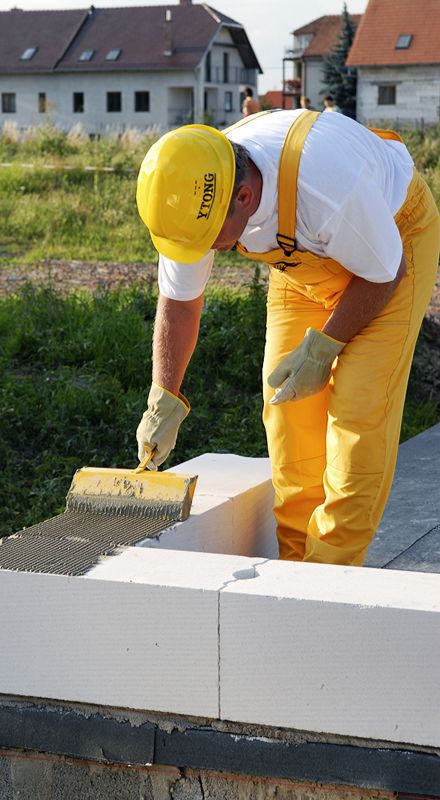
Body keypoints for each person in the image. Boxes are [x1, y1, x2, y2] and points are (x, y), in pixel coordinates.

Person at [134, 109, 440, 567]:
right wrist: (164, 395)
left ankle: (327, 582)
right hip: (306, 265)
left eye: (209, 241)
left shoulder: (326, 183)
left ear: (244, 195)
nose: (201, 253)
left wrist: (325, 348)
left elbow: (384, 271)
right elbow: (179, 303)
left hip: (391, 248)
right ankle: (294, 571)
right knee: (287, 417)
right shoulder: (193, 187)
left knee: (358, 417)